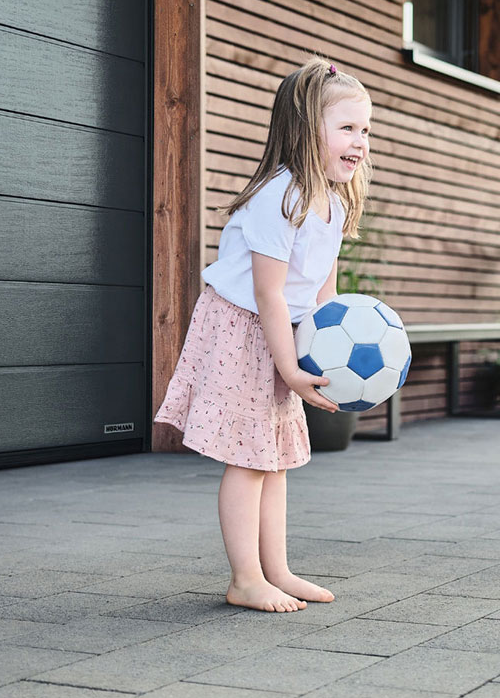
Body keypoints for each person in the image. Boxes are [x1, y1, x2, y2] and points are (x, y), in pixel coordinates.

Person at [153, 57, 372, 613]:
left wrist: (327, 351)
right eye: (347, 128)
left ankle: (276, 569)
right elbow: (269, 293)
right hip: (242, 329)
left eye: (366, 130)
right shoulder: (282, 196)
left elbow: (324, 293)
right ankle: (245, 578)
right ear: (305, 130)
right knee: (249, 460)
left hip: (279, 333)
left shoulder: (331, 201)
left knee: (274, 459)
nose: (360, 141)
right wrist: (292, 368)